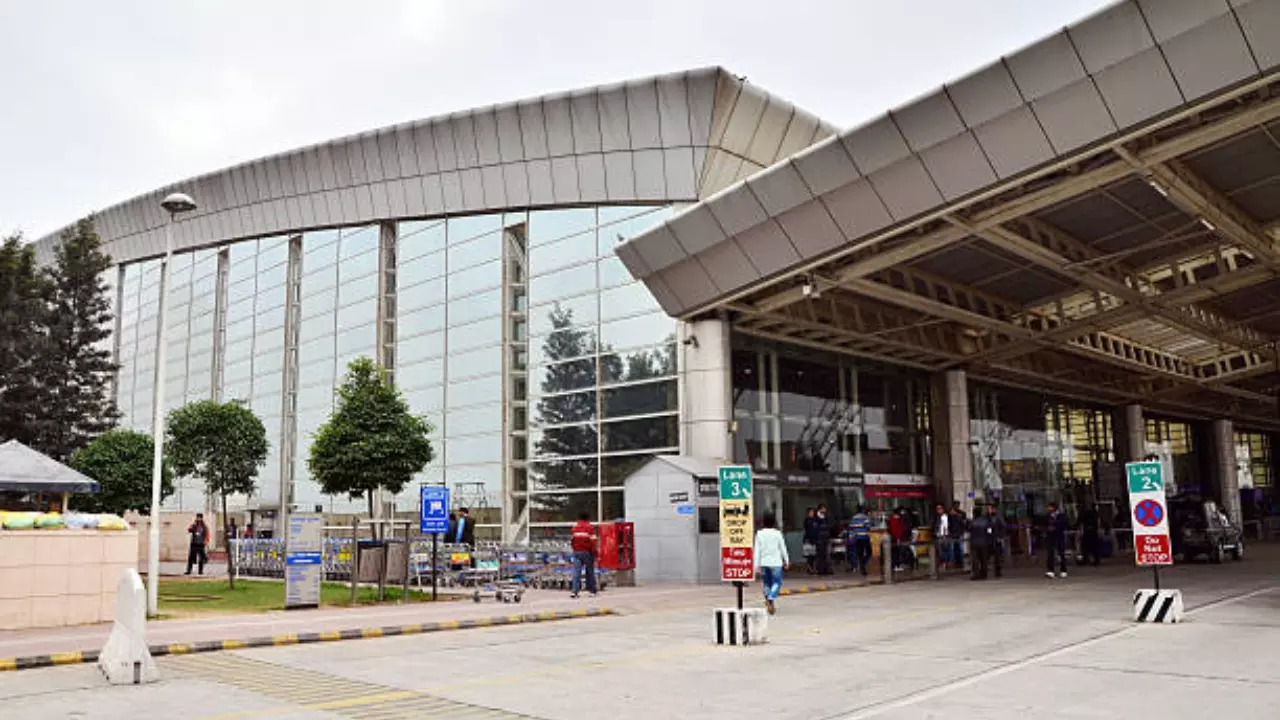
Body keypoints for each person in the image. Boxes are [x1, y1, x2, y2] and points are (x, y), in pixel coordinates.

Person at [753, 512, 789, 615]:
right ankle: (770, 598)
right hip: (776, 563)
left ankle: (770, 600)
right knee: (777, 583)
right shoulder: (777, 534)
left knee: (766, 583)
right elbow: (783, 548)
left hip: (764, 562)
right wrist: (786, 560)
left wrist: (756, 566)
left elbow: (757, 551)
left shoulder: (759, 534)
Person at [569, 511, 598, 598]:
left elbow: (572, 541)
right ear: (587, 518)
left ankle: (575, 591)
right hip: (587, 552)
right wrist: (595, 553)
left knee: (576, 572)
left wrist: (574, 550)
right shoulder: (590, 528)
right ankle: (591, 591)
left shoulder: (574, 528)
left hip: (577, 552)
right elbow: (593, 542)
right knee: (589, 571)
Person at [968, 506, 992, 581]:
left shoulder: (972, 522)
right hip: (984, 542)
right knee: (983, 558)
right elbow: (989, 531)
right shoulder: (986, 521)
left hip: (974, 542)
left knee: (975, 559)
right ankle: (984, 573)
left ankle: (976, 574)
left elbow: (968, 529)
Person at [847, 506, 873, 575]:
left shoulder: (854, 518)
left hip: (857, 537)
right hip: (864, 537)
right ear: (863, 511)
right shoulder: (866, 518)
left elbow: (851, 527)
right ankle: (863, 565)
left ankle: (862, 567)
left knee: (860, 553)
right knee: (869, 552)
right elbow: (868, 527)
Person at [1046, 502, 1069, 578]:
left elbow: (1065, 524)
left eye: (1050, 507)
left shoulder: (1061, 516)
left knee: (1061, 553)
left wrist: (1056, 527)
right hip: (1050, 537)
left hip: (1059, 536)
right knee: (1050, 553)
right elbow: (1044, 524)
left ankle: (1063, 570)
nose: (1049, 509)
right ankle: (1050, 570)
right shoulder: (1047, 516)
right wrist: (1047, 528)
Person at [812, 505, 833, 575]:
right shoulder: (816, 517)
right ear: (820, 509)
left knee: (827, 554)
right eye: (823, 509)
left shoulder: (826, 517)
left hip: (826, 537)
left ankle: (827, 569)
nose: (825, 510)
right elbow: (815, 527)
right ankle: (821, 570)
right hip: (819, 538)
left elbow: (829, 525)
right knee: (820, 555)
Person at [987, 504, 1006, 579]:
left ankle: (998, 571)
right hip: (989, 539)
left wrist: (1000, 536)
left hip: (996, 538)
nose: (989, 510)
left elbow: (1003, 527)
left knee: (997, 556)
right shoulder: (987, 517)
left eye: (990, 509)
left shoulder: (998, 518)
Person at [950, 504, 968, 570]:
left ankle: (958, 561)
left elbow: (963, 524)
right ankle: (957, 561)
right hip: (956, 534)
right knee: (956, 548)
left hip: (957, 534)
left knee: (959, 548)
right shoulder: (953, 516)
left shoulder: (959, 516)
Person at [933, 504, 952, 570]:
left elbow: (950, 525)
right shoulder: (936, 517)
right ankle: (943, 562)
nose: (938, 510)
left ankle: (947, 562)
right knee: (940, 551)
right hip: (939, 536)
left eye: (940, 508)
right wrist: (936, 533)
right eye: (937, 509)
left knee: (947, 550)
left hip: (947, 535)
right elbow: (935, 526)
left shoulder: (947, 517)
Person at [801, 508, 818, 574]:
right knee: (808, 556)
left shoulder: (815, 520)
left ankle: (813, 568)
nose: (812, 513)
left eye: (813, 512)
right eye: (811, 512)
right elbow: (808, 530)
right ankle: (810, 569)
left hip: (814, 539)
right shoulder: (807, 520)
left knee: (814, 555)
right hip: (808, 539)